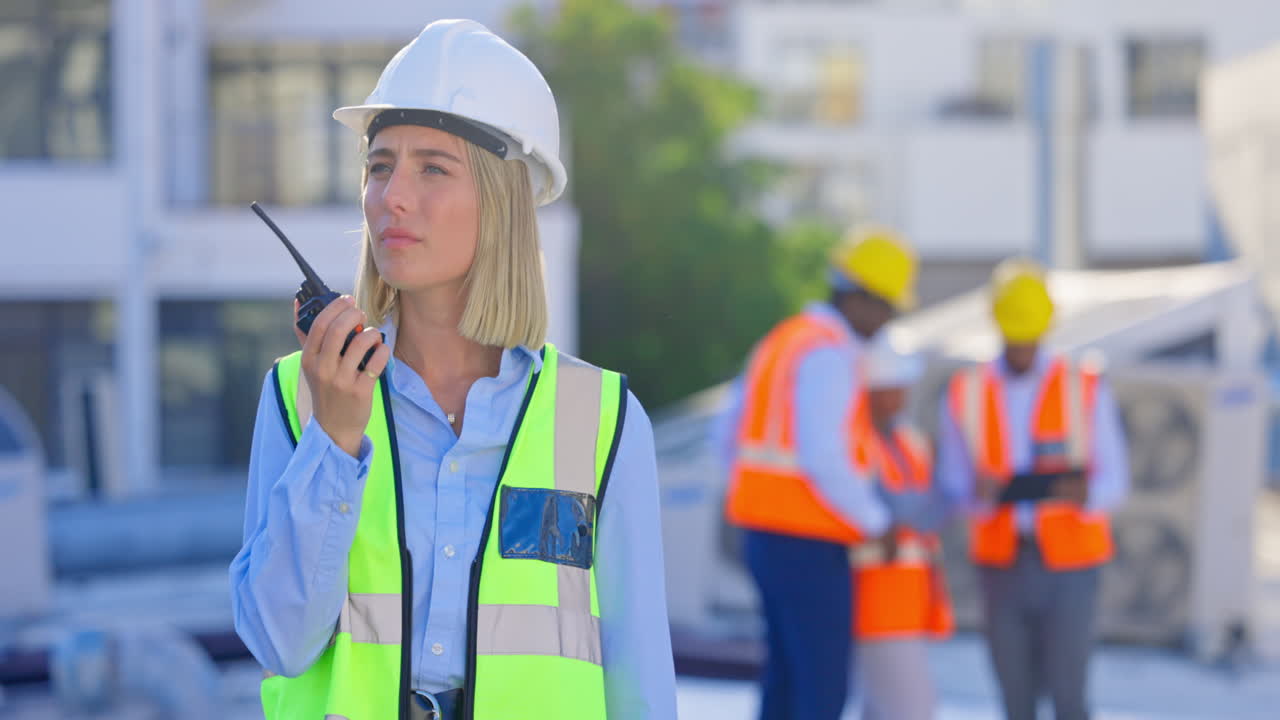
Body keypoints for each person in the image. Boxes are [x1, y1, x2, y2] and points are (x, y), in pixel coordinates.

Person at [229, 19, 676, 720]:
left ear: (505, 201)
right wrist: (334, 444)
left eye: (432, 167)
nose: (391, 197)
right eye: (380, 167)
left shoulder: (606, 420)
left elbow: (640, 679)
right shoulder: (298, 397)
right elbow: (279, 644)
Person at [719, 224, 918, 720]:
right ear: (861, 300)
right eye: (888, 308)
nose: (887, 322)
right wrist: (878, 522)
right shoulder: (830, 353)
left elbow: (725, 436)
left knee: (783, 683)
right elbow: (825, 458)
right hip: (807, 542)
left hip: (763, 536)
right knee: (822, 692)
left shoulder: (784, 340)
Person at [937, 258, 1129, 720]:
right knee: (1015, 701)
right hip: (1002, 562)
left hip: (1071, 564)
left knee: (1069, 698)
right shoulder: (967, 391)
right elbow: (951, 484)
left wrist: (1085, 494)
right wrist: (976, 495)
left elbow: (1115, 480)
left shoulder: (1082, 386)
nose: (1022, 347)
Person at [848, 335, 953, 720]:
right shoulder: (855, 443)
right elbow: (883, 505)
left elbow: (932, 505)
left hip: (909, 599)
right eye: (894, 387)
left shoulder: (909, 441)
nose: (902, 395)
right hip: (875, 600)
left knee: (882, 710)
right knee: (912, 710)